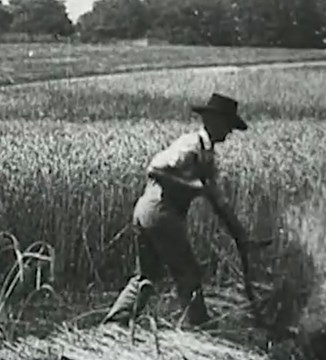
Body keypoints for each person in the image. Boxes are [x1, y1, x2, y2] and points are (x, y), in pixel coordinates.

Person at [102, 93, 251, 329]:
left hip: (149, 211)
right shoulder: (190, 144)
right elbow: (154, 169)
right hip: (160, 210)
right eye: (228, 125)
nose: (230, 132)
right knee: (188, 273)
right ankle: (200, 329)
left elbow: (217, 200)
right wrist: (193, 186)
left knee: (147, 276)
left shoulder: (207, 153)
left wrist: (241, 236)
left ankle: (113, 325)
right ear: (213, 120)